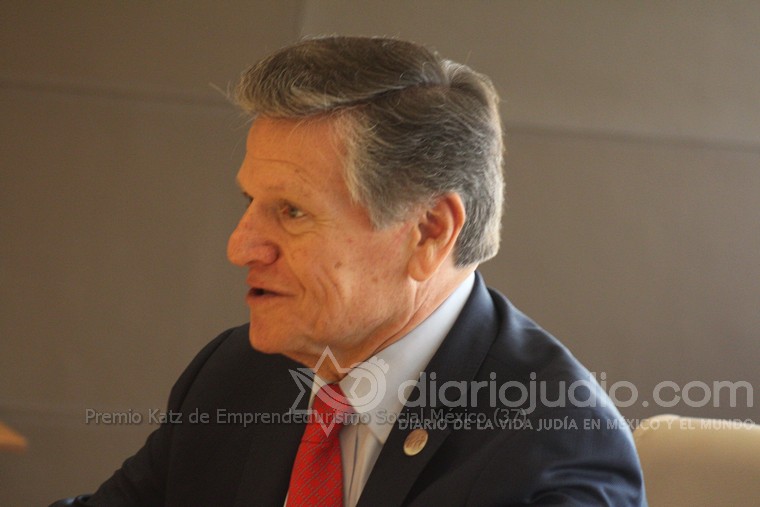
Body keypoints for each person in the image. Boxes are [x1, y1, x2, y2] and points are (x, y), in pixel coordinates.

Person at [53, 36, 646, 506]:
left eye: (292, 211)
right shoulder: (237, 373)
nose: (241, 247)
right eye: (251, 203)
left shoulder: (558, 447)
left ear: (430, 231)